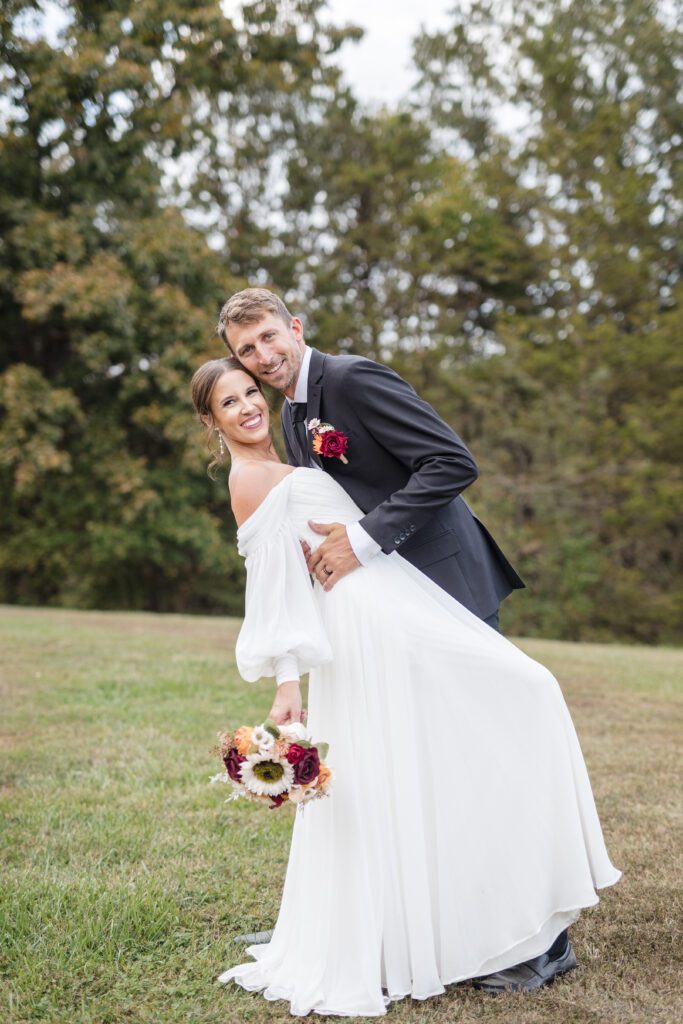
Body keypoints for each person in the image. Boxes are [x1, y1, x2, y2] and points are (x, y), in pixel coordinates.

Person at [190, 353, 621, 1016]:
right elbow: (275, 590)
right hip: (367, 627)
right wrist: (286, 681)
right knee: (454, 738)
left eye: (250, 391)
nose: (249, 405)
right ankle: (410, 929)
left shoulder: (299, 439)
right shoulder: (249, 479)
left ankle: (513, 920)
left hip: (401, 609)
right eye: (230, 402)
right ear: (211, 422)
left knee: (493, 715)